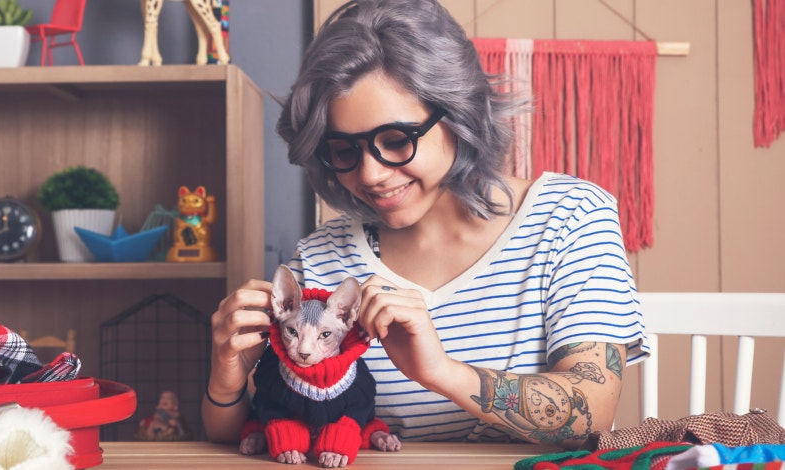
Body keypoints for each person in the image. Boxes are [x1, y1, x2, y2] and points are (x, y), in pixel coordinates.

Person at [203, 0, 648, 449]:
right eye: (343, 151)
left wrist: (441, 372)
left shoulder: (569, 218)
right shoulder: (320, 259)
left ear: (459, 114)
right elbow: (250, 432)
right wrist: (227, 375)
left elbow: (593, 412)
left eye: (396, 140)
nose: (370, 175)